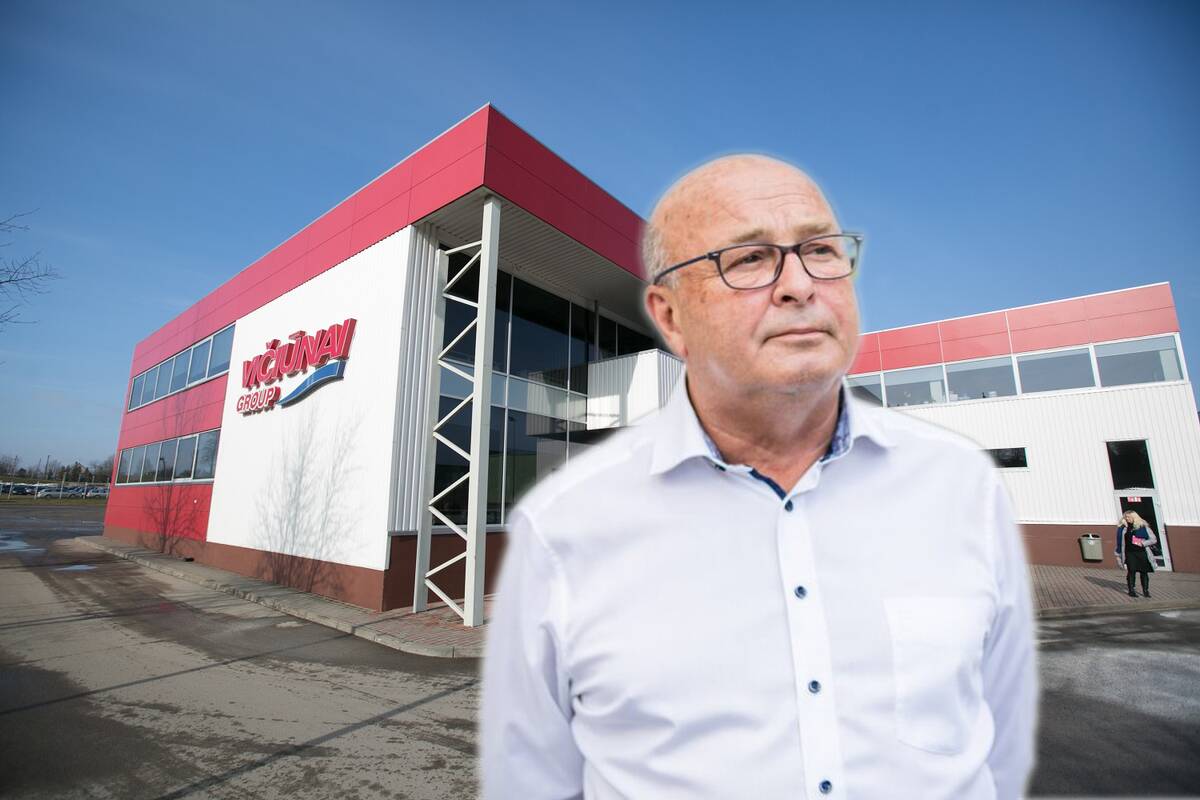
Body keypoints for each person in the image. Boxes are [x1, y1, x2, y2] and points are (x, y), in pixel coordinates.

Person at [480, 154, 1037, 799]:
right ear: (670, 317)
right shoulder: (565, 529)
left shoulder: (962, 489)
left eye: (821, 250)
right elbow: (531, 782)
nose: (800, 285)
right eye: (748, 259)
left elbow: (1003, 745)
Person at [1115, 509, 1157, 598]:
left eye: (1129, 517)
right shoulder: (1123, 528)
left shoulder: (1143, 527)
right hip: (1130, 553)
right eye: (1125, 517)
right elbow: (1119, 542)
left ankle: (1145, 591)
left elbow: (1153, 539)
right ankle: (1131, 590)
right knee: (1131, 571)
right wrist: (1118, 553)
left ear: (1134, 517)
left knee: (1144, 572)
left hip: (1142, 552)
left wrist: (1143, 543)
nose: (1127, 519)